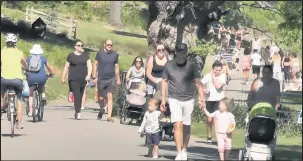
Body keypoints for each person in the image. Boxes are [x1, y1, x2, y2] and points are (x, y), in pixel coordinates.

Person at [161, 43, 205, 160]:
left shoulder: (192, 65)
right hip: (174, 98)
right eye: (179, 51)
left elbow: (198, 83)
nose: (181, 54)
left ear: (186, 52)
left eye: (183, 52)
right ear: (176, 52)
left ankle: (185, 148)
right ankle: (179, 152)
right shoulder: (169, 65)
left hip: (188, 98)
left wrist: (201, 98)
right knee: (178, 124)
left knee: (186, 126)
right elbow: (164, 82)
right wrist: (164, 99)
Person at [1, 33, 28, 129]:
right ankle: (19, 123)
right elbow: (25, 64)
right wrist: (26, 69)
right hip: (17, 80)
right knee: (19, 101)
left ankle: (2, 106)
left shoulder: (2, 52)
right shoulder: (19, 52)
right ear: (15, 42)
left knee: (1, 96)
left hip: (4, 79)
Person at [61, 40, 92, 120]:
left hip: (83, 79)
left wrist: (88, 75)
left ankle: (76, 110)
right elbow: (66, 67)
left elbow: (89, 66)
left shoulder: (85, 55)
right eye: (78, 45)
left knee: (80, 95)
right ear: (75, 46)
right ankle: (78, 112)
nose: (80, 47)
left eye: (81, 45)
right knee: (77, 95)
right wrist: (63, 77)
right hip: (73, 78)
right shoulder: (71, 56)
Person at [92, 39, 121, 122]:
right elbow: (95, 64)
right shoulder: (99, 53)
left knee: (109, 95)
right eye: (108, 44)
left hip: (111, 78)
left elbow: (116, 67)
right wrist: (94, 76)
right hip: (101, 78)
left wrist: (118, 78)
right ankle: (102, 110)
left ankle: (109, 116)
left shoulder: (115, 55)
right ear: (104, 44)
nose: (109, 46)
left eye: (111, 45)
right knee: (101, 98)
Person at [201, 61, 227, 144]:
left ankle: (219, 138)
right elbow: (200, 85)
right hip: (209, 100)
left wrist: (213, 77)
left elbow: (218, 86)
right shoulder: (207, 76)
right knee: (209, 119)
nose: (218, 72)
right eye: (216, 70)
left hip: (219, 100)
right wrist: (204, 90)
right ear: (213, 69)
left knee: (217, 119)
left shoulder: (223, 76)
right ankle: (209, 137)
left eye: (219, 70)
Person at [26, 44, 55, 117]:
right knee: (42, 84)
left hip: (31, 78)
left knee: (31, 95)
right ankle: (43, 95)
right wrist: (51, 73)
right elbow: (49, 68)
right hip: (41, 77)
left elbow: (26, 67)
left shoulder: (29, 58)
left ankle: (30, 110)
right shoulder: (43, 58)